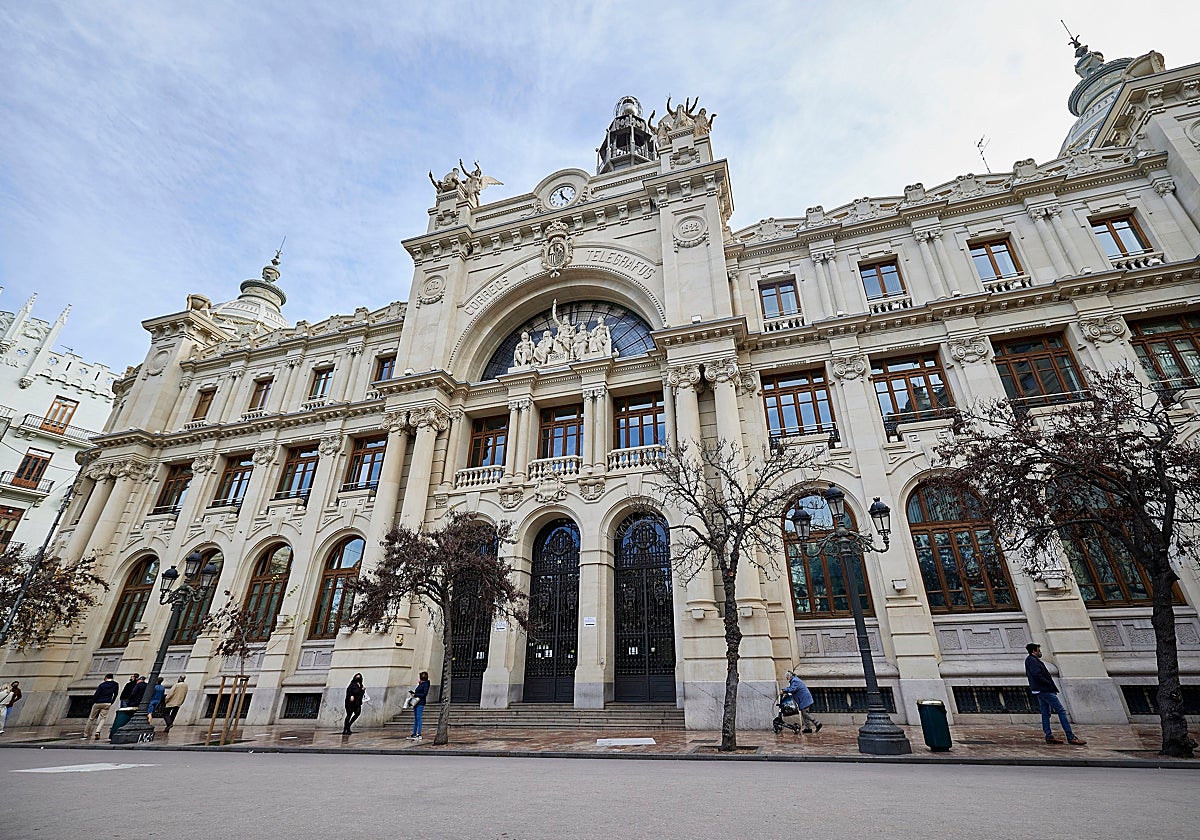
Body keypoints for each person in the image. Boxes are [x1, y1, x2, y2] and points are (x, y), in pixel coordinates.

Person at [1025, 643, 1086, 745]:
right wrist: (1048, 683)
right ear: (1034, 651)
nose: (1040, 652)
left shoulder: (1032, 660)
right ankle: (1070, 737)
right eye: (1038, 650)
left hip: (1041, 690)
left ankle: (1049, 736)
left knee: (1046, 713)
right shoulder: (1032, 660)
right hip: (1044, 690)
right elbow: (1037, 675)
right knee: (1061, 711)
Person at [82, 673, 120, 741]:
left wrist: (94, 701)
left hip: (98, 702)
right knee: (103, 719)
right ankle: (97, 732)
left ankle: (86, 734)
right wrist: (111, 702)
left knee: (91, 718)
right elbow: (116, 694)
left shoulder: (102, 685)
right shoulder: (115, 684)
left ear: (106, 677)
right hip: (107, 702)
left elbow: (97, 694)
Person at [408, 671, 430, 741]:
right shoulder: (421, 684)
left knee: (419, 718)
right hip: (416, 702)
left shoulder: (426, 684)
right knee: (416, 719)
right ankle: (414, 733)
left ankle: (419, 734)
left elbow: (424, 694)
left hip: (420, 702)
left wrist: (416, 694)